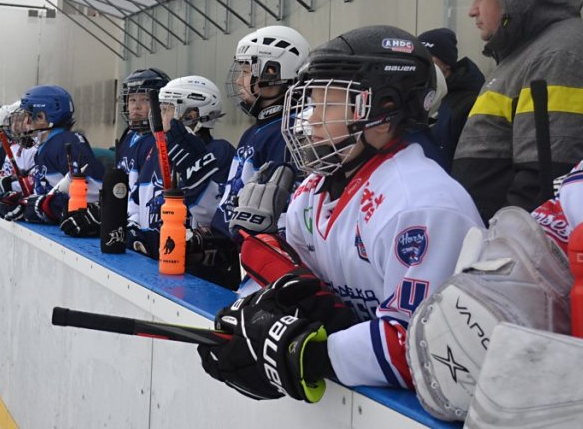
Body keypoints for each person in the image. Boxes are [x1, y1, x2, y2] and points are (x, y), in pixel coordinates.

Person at [198, 25, 483, 402]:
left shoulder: (423, 207)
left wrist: (310, 354)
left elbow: (419, 346)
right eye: (310, 103)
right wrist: (256, 321)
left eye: (327, 102)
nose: (310, 120)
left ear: (383, 108)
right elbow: (286, 288)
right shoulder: (313, 192)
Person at [452, 0, 583, 222]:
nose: (472, 10)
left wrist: (500, 251)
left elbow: (545, 182)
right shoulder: (525, 55)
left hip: (514, 255)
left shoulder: (556, 54)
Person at [127, 76, 236, 286]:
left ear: (192, 115)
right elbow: (135, 206)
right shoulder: (154, 153)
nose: (157, 115)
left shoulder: (219, 152)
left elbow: (217, 218)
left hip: (198, 280)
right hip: (151, 272)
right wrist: (134, 234)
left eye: (167, 109)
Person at [212, 25, 310, 239]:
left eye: (246, 71)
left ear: (271, 71)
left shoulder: (289, 133)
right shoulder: (255, 130)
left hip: (254, 252)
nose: (239, 80)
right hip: (232, 249)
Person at [60, 68, 170, 239]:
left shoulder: (158, 142)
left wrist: (110, 217)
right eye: (132, 99)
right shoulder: (129, 137)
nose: (136, 106)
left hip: (141, 230)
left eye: (145, 99)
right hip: (125, 222)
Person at [0, 85, 105, 224]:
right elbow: (47, 191)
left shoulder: (67, 142)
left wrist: (44, 207)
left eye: (28, 117)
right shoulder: (46, 146)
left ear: (41, 117)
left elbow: (91, 193)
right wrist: (19, 198)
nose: (25, 124)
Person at [417, 27, 485, 166]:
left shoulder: (468, 104)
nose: (421, 64)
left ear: (446, 63)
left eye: (428, 57)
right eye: (418, 57)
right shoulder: (418, 96)